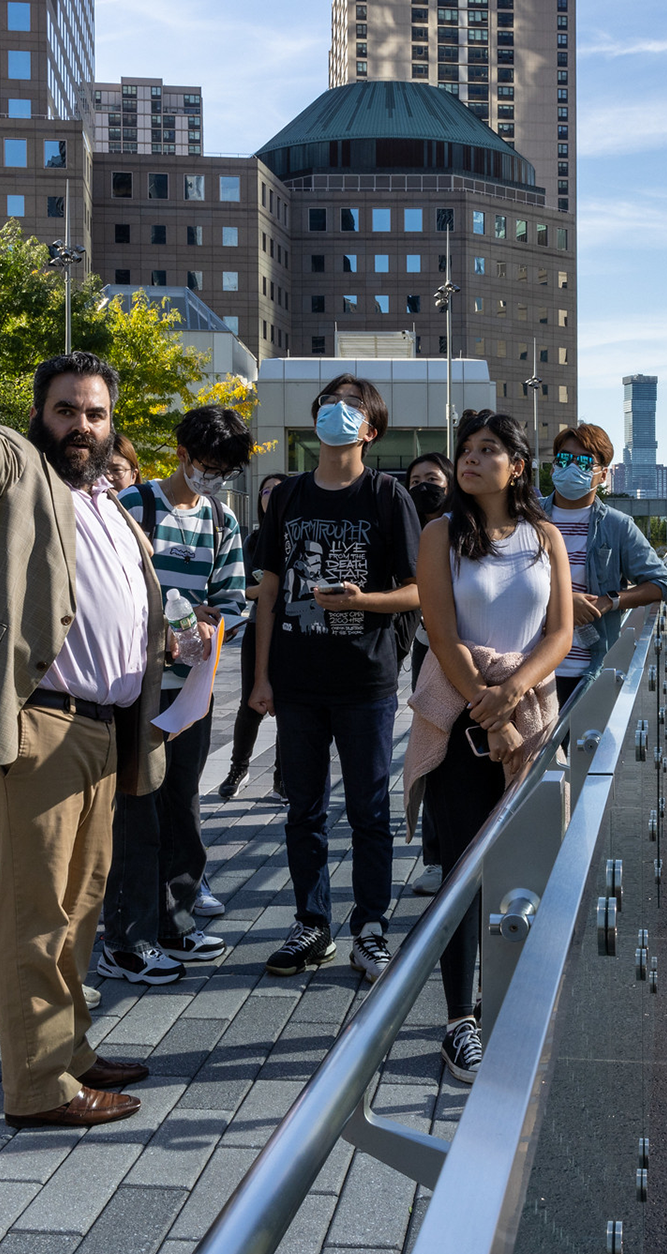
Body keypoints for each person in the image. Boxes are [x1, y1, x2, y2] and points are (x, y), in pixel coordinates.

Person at [0, 345, 175, 1130]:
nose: (80, 425)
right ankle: (40, 1087)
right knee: (35, 913)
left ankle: (71, 1050)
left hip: (98, 732)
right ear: (38, 415)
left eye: (94, 413)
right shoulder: (21, 473)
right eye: (66, 410)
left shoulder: (107, 503)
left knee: (80, 906)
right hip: (35, 725)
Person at [403, 412, 571, 1082]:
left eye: (488, 450)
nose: (470, 460)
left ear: (517, 466)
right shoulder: (441, 534)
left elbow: (559, 634)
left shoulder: (546, 536)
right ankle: (458, 1023)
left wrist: (514, 694)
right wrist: (485, 703)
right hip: (460, 719)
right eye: (465, 451)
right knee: (464, 875)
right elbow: (440, 633)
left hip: (529, 717)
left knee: (527, 869)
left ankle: (508, 1006)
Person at [248, 373, 421, 983]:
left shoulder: (386, 496)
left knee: (369, 811)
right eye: (329, 403)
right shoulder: (290, 495)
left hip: (364, 681)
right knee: (304, 810)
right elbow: (269, 591)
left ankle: (370, 926)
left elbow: (418, 590)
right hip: (297, 680)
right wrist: (261, 676)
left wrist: (361, 602)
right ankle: (311, 923)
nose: (335, 413)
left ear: (370, 430)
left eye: (350, 407)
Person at [100, 406, 252, 985]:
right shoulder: (132, 506)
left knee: (182, 806)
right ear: (182, 454)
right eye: (207, 466)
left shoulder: (221, 521)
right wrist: (162, 626)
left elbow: (233, 599)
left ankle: (175, 922)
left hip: (191, 686)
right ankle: (127, 936)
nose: (214, 479)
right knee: (137, 811)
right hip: (135, 690)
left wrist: (215, 620)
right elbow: (110, 596)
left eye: (225, 472)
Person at [541, 423, 667, 707]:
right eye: (564, 459)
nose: (572, 467)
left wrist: (609, 601)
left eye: (585, 461)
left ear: (602, 475)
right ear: (553, 467)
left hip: (587, 672)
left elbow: (663, 584)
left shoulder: (617, 526)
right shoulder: (526, 519)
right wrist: (563, 602)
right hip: (531, 666)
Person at [219, 470, 291, 804]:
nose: (271, 495)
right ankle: (238, 769)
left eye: (279, 490)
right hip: (258, 629)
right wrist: (265, 589)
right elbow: (241, 589)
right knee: (251, 703)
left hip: (294, 631)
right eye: (265, 491)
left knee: (290, 706)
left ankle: (283, 776)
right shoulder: (253, 540)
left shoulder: (299, 536)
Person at [404, 450, 456, 898]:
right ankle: (436, 859)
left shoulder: (464, 525)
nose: (425, 486)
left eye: (433, 477)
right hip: (426, 650)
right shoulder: (407, 526)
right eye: (416, 479)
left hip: (472, 649)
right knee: (433, 748)